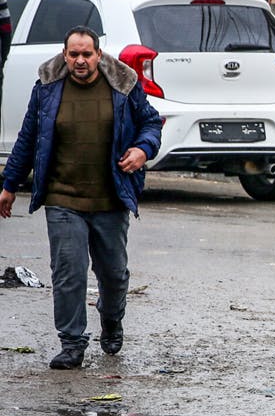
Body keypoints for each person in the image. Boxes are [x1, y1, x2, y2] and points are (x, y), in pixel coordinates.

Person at [0, 26, 162, 369]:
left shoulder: (123, 84)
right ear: (64, 55)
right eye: (73, 54)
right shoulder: (47, 87)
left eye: (86, 54)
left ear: (98, 56)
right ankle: (72, 343)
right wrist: (9, 184)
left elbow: (151, 123)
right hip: (63, 198)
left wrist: (141, 150)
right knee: (69, 273)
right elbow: (29, 138)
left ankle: (111, 318)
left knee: (114, 274)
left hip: (110, 199)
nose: (80, 61)